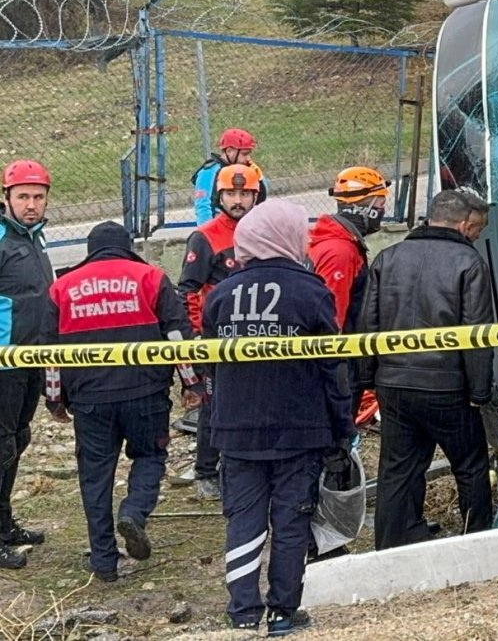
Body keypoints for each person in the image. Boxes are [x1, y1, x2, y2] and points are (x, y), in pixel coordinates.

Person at [205, 200, 355, 635]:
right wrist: (341, 427)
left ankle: (243, 612)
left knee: (243, 519)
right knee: (292, 520)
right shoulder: (311, 291)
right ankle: (283, 613)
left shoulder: (221, 295)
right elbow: (332, 366)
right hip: (299, 428)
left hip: (236, 429)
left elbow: (211, 364)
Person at [44, 222, 204, 583]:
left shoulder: (62, 287)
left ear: (90, 250)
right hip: (145, 393)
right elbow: (177, 336)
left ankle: (103, 561)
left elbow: (48, 352)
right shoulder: (150, 277)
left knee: (94, 476)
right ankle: (134, 511)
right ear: (127, 247)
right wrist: (192, 383)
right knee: (150, 456)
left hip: (90, 400)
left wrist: (55, 400)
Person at [357, 190, 494, 549]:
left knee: (396, 470)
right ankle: (477, 541)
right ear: (466, 225)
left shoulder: (388, 257)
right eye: (478, 229)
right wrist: (480, 391)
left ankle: (391, 545)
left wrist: (366, 377)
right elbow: (476, 334)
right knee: (471, 466)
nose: (478, 237)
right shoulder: (469, 262)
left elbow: (367, 323)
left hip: (394, 384)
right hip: (448, 387)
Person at [176, 164, 260, 501]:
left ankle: (245, 467)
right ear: (219, 196)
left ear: (257, 195)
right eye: (231, 194)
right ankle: (206, 471)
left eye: (245, 194)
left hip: (257, 336)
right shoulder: (206, 236)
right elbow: (187, 291)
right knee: (213, 407)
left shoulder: (263, 232)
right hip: (216, 341)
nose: (238, 200)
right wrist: (197, 339)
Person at [0, 160, 55, 570]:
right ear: (7, 199)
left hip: (33, 359)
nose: (31, 204)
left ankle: (4, 524)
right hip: (4, 363)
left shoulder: (36, 239)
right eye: (23, 197)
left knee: (17, 440)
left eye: (38, 196)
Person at [308, 166, 391, 417]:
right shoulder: (340, 252)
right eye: (380, 203)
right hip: (340, 361)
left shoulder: (338, 243)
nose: (382, 211)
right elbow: (332, 316)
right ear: (364, 206)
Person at [191, 128, 268, 225]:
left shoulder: (246, 169)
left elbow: (260, 198)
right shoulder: (209, 172)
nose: (248, 158)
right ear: (229, 151)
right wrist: (207, 235)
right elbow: (203, 206)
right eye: (244, 154)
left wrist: (259, 178)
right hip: (220, 228)